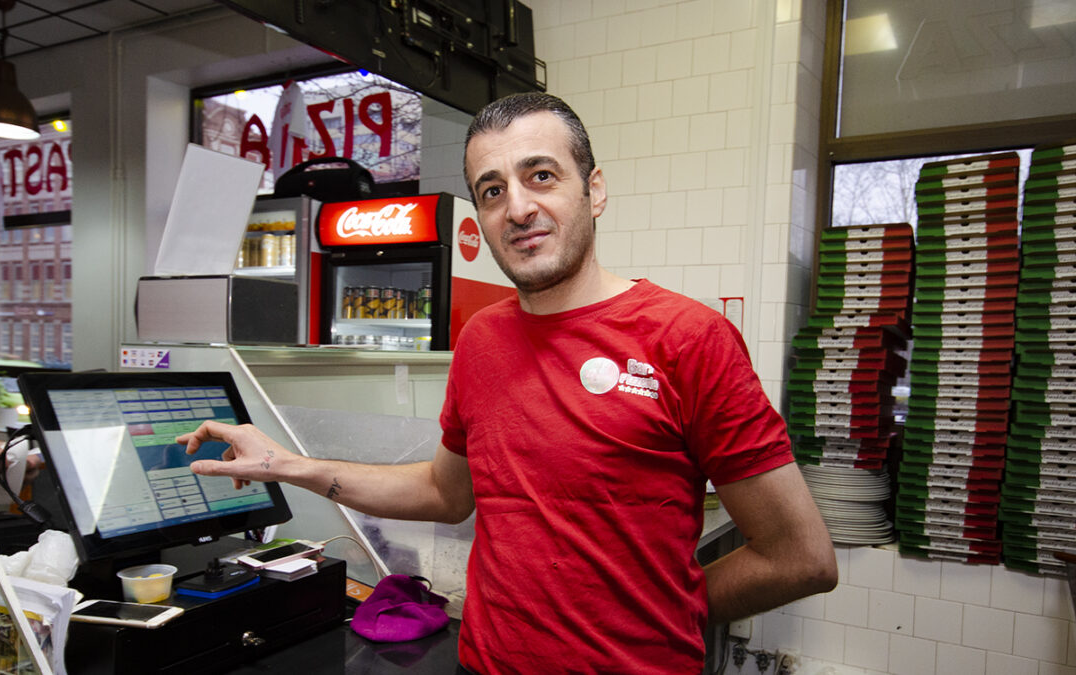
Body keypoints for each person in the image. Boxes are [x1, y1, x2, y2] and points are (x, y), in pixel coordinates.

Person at [177, 92, 837, 675]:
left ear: (595, 188)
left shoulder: (688, 338)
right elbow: (445, 491)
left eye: (541, 175)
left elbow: (799, 555)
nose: (518, 207)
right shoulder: (482, 340)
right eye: (492, 190)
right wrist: (286, 464)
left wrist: (667, 606)